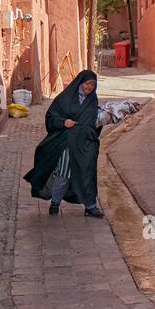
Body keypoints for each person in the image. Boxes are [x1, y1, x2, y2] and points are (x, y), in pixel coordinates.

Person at [24, 69, 104, 218]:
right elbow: (51, 116)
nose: (89, 88)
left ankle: (90, 207)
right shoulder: (65, 98)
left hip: (86, 145)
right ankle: (55, 202)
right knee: (64, 174)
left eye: (93, 85)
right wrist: (63, 122)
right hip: (67, 143)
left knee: (88, 175)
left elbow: (94, 122)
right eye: (87, 84)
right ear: (80, 82)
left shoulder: (93, 100)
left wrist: (100, 122)